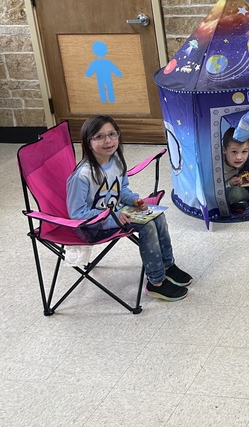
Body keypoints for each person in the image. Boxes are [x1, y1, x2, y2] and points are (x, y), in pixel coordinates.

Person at [66, 115, 191, 301]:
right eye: (99, 137)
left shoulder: (115, 161)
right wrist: (112, 217)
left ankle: (167, 265)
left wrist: (133, 201)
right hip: (93, 226)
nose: (108, 141)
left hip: (118, 213)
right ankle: (155, 282)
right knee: (147, 226)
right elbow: (77, 214)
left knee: (157, 215)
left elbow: (121, 189)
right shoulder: (82, 176)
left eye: (112, 134)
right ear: (87, 141)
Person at [222, 127, 249, 215]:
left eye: (244, 152)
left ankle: (239, 203)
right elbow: (212, 188)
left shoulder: (245, 163)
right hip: (225, 191)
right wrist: (229, 183)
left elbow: (246, 174)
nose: (239, 157)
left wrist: (245, 177)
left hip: (240, 188)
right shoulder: (218, 167)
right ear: (224, 150)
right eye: (234, 152)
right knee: (234, 193)